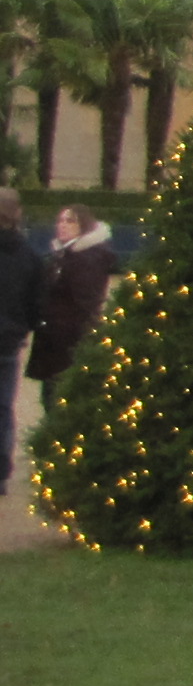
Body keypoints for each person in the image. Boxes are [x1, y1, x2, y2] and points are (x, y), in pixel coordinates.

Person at [0, 191, 41, 495]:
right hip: (9, 339)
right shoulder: (29, 255)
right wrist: (23, 328)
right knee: (3, 407)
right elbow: (37, 303)